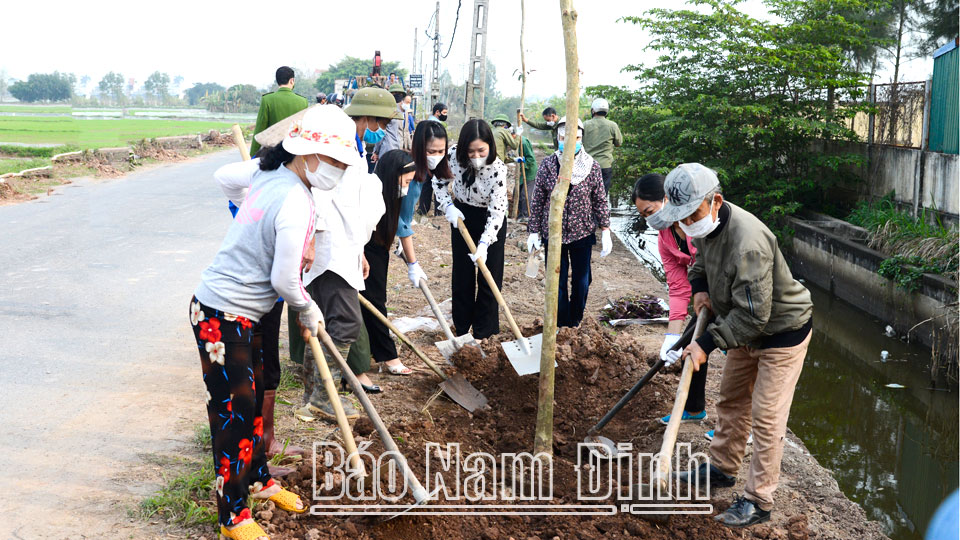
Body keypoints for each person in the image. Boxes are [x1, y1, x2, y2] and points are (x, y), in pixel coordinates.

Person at [191, 105, 361, 539]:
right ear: (306, 155)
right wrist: (307, 307)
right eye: (335, 162)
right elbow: (284, 279)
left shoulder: (271, 175)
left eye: (344, 163)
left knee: (257, 390)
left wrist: (249, 203)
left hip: (248, 312)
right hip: (219, 312)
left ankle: (259, 480)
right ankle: (232, 516)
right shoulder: (291, 196)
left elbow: (225, 179)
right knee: (235, 410)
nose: (339, 171)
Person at [664, 163, 814, 528]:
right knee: (731, 399)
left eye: (691, 215)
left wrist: (705, 344)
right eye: (681, 218)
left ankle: (759, 500)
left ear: (716, 201)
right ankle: (722, 468)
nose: (686, 225)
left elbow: (754, 317)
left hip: (780, 332)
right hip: (741, 325)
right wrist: (700, 288)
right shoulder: (704, 226)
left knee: (766, 416)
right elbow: (701, 263)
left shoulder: (748, 244)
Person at [632, 174, 708, 427]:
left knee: (743, 359)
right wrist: (671, 338)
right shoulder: (665, 238)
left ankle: (747, 427)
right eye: (644, 215)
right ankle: (695, 409)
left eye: (650, 210)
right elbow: (677, 288)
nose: (649, 218)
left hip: (729, 292)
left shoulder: (696, 223)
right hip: (704, 296)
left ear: (666, 199)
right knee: (692, 346)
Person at [526, 116, 612, 327]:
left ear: (582, 139)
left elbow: (600, 199)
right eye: (564, 137)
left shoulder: (592, 167)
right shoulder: (548, 165)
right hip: (552, 234)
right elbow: (538, 199)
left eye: (576, 137)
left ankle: (576, 319)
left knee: (582, 281)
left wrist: (606, 230)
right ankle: (561, 322)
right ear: (558, 138)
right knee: (557, 281)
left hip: (582, 231)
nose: (570, 142)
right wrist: (534, 231)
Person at [357, 149, 430, 382]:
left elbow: (397, 226)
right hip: (365, 249)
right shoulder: (371, 192)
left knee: (372, 300)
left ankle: (370, 351)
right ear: (392, 174)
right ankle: (388, 356)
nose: (407, 188)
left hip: (378, 249)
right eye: (406, 181)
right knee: (375, 302)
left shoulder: (391, 193)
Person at [433, 119, 508, 339]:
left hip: (490, 220)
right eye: (471, 151)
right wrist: (448, 206)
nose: (475, 156)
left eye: (481, 151)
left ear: (490, 146)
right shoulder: (454, 157)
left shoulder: (498, 169)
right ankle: (463, 329)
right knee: (463, 275)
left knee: (489, 277)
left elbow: (497, 212)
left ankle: (485, 333)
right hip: (462, 217)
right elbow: (438, 182)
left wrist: (484, 243)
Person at [250, 66, 308, 156]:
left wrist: (253, 153)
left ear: (277, 81)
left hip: (272, 153)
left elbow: (260, 128)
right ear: (292, 80)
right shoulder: (303, 101)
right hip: (293, 153)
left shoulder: (267, 99)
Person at [582, 98, 623, 196]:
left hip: (588, 166)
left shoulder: (585, 125)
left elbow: (579, 142)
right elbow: (619, 143)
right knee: (602, 196)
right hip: (604, 166)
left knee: (587, 195)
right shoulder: (612, 125)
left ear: (593, 111)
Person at [416, 117, 451, 215]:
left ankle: (439, 210)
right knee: (426, 184)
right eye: (431, 152)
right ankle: (423, 209)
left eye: (441, 151)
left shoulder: (447, 162)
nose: (436, 156)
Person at [372, 83, 413, 163]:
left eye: (400, 94)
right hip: (396, 148)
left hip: (387, 148)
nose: (398, 95)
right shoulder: (399, 111)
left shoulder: (386, 110)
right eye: (395, 93)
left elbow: (380, 132)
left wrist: (376, 151)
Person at [516, 135, 537, 220]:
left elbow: (531, 158)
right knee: (516, 193)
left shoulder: (523, 143)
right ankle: (519, 213)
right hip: (522, 172)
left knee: (525, 194)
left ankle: (525, 216)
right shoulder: (516, 142)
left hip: (529, 172)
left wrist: (523, 166)